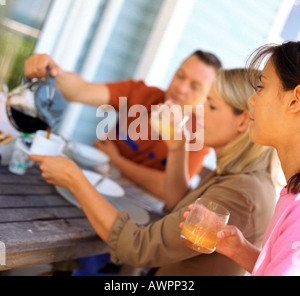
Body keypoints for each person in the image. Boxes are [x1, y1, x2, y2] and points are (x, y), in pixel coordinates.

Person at [29, 68, 278, 276]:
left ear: (243, 121)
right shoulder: (238, 174)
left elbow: (139, 247)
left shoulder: (241, 192)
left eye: (210, 106)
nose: (198, 111)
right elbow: (180, 208)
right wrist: (178, 148)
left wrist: (75, 179)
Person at [25, 51, 221, 199]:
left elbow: (168, 191)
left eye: (195, 86)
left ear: (207, 98)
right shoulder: (142, 94)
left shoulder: (202, 133)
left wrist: (117, 160)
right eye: (180, 75)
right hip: (88, 182)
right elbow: (80, 90)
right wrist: (52, 71)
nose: (181, 87)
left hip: (139, 207)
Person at [189, 41, 300, 276]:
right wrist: (242, 251)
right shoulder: (291, 193)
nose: (251, 100)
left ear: (295, 100)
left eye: (261, 87)